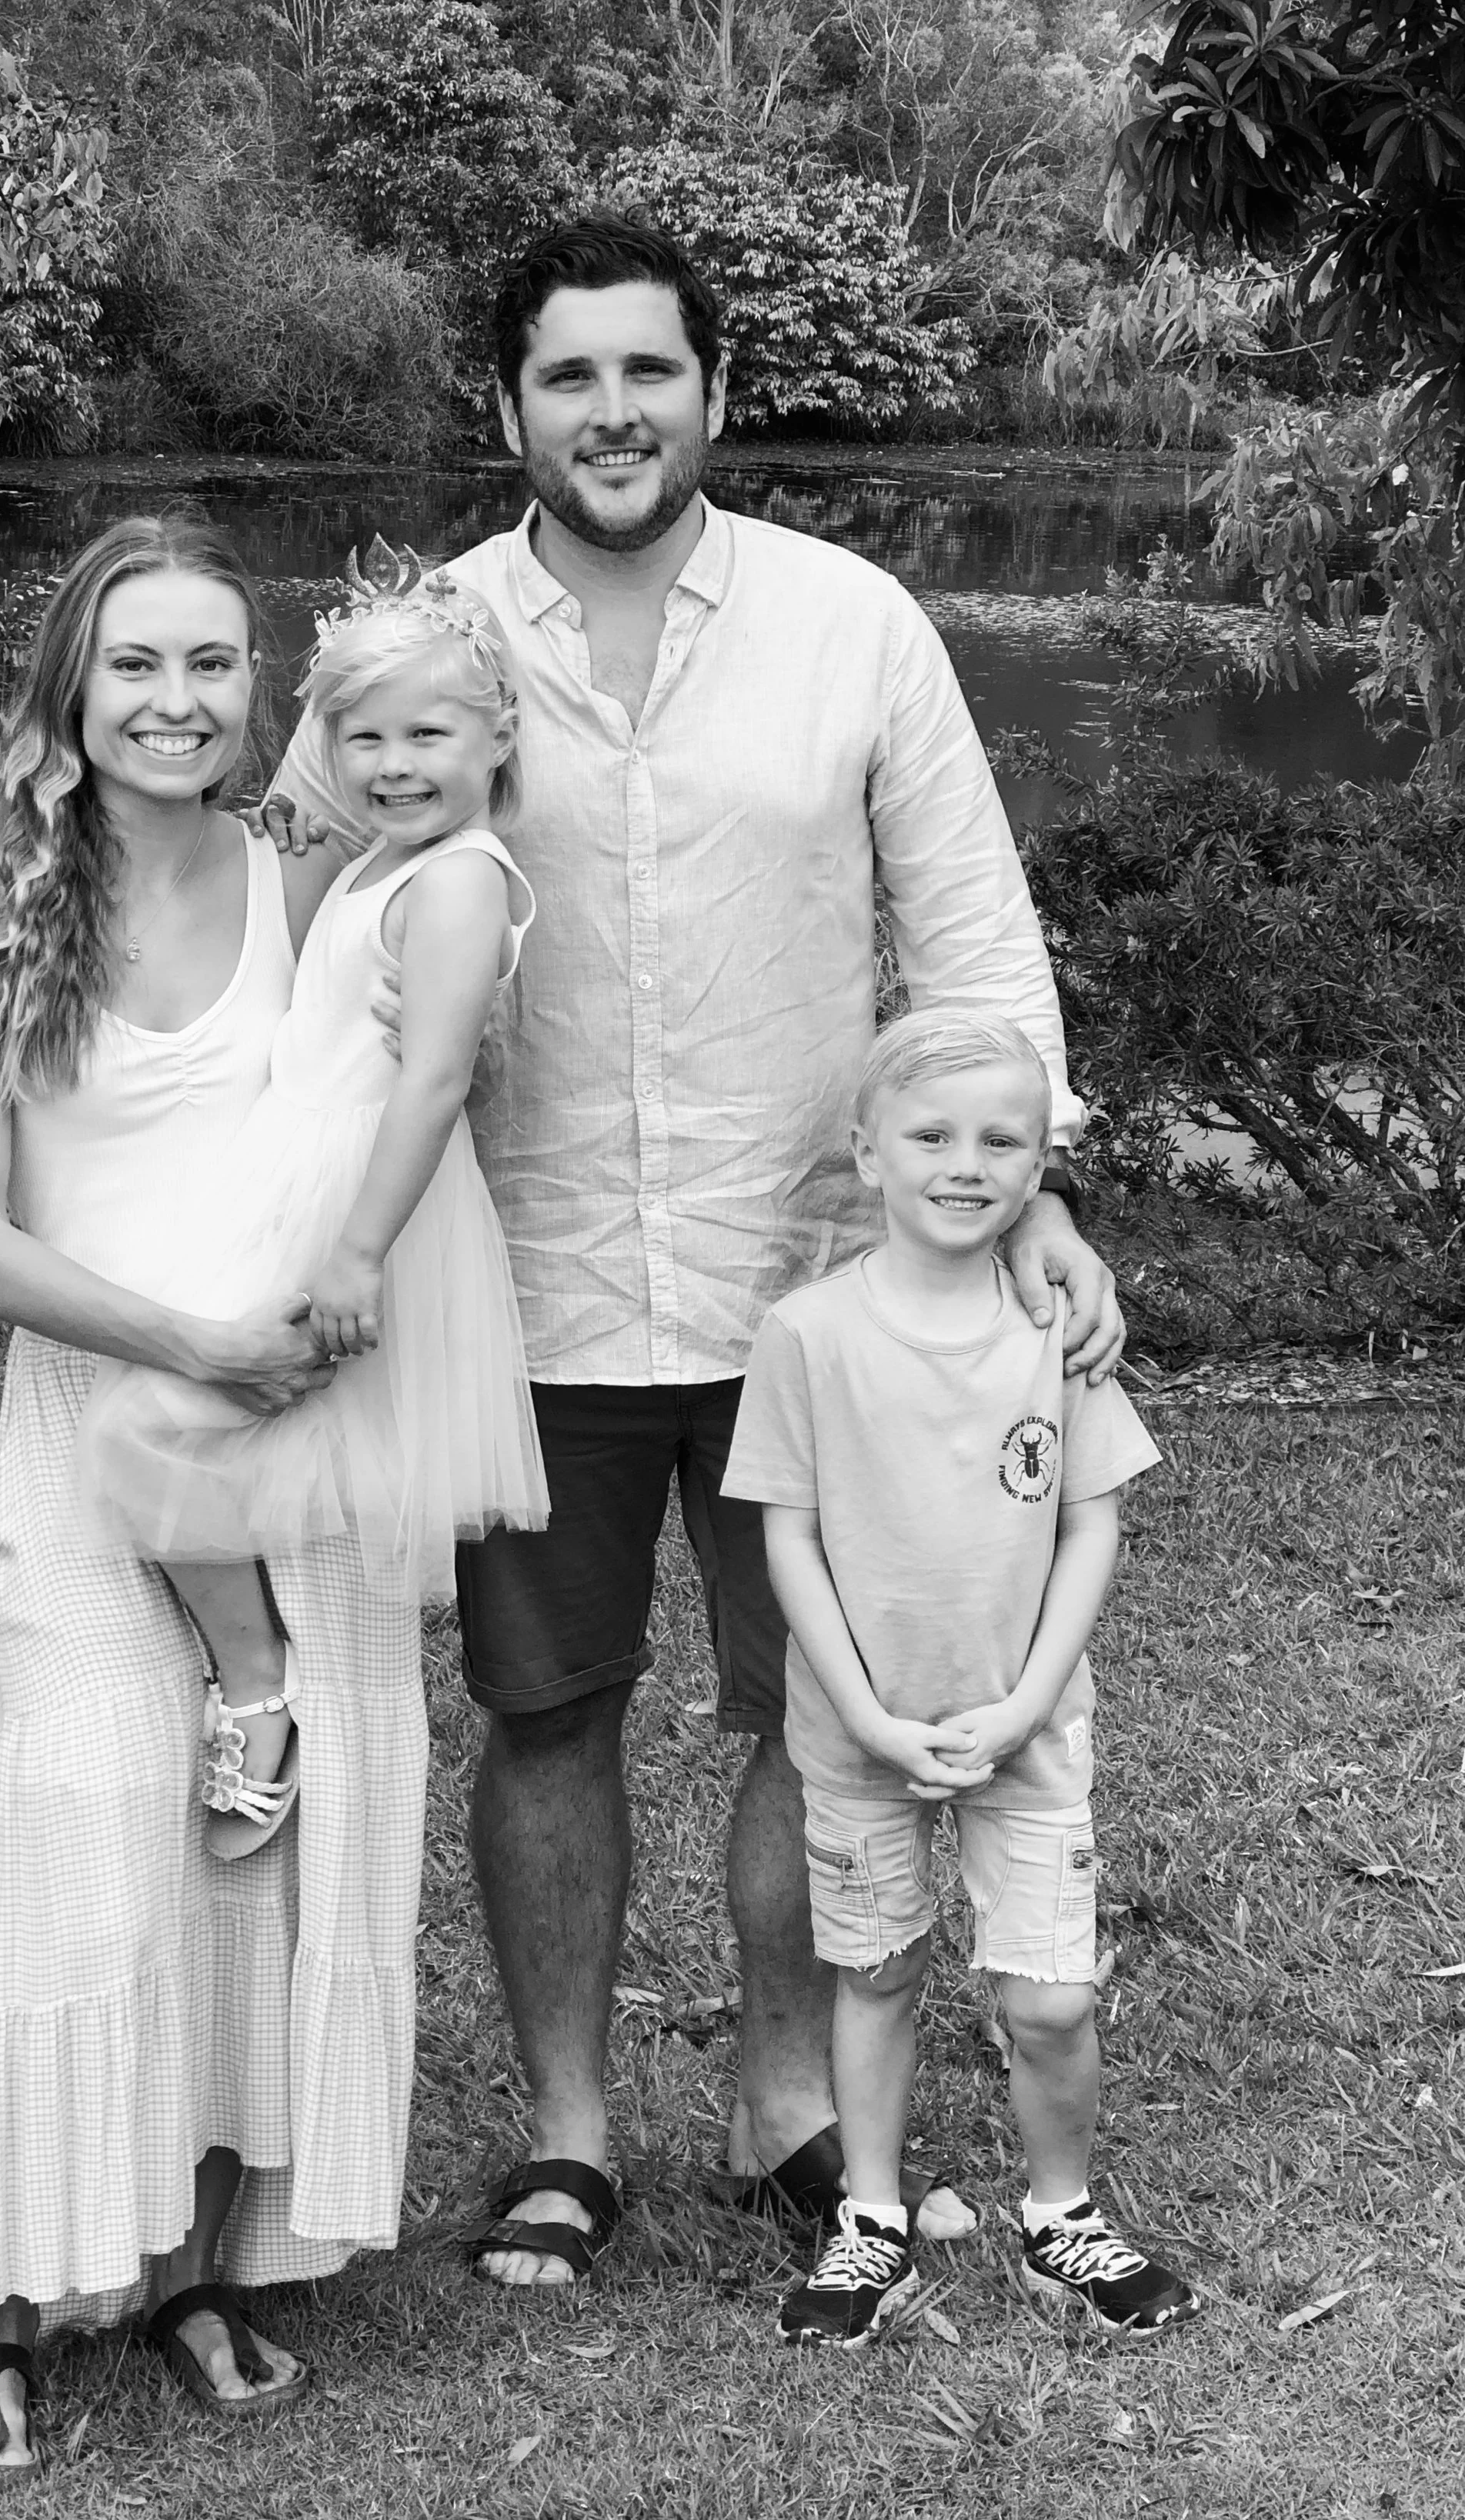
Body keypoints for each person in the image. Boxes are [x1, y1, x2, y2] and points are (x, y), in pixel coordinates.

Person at [259, 215, 1128, 2287]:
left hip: (803, 1281)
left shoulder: (854, 626)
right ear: (509, 407)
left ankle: (778, 2094)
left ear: (713, 395)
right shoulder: (422, 651)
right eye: (569, 377)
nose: (613, 411)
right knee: (541, 1705)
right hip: (519, 1287)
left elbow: (970, 927)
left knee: (800, 1719)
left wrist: (1043, 1179)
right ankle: (564, 2132)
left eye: (650, 372)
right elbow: (279, 910)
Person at [0, 512, 425, 2474]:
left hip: (303, 1438)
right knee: (83, 1815)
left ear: (253, 691)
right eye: (135, 665)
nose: (175, 701)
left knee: (255, 1862)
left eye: (210, 664)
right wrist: (191, 1346)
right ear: (69, 692)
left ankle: (190, 2266)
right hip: (100, 1420)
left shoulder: (311, 874)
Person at [723, 1011, 1199, 2347]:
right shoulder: (808, 1333)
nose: (966, 1162)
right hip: (859, 1733)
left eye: (1004, 1138)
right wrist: (870, 1713)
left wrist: (1033, 1695)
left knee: (1052, 1998)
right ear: (866, 1151)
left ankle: (1064, 2218)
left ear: (1039, 1160)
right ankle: (869, 2222)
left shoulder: (1054, 1326)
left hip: (1028, 1731)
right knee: (873, 1977)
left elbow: (1093, 1520)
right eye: (930, 1135)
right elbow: (790, 1534)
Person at [75, 558, 548, 1855]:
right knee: (192, 1422)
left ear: (498, 735)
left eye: (430, 733)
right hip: (290, 1164)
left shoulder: (456, 879)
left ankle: (258, 1683)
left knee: (147, 1429)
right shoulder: (387, 861)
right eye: (364, 735)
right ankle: (259, 1660)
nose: (394, 764)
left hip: (348, 1201)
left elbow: (440, 1076)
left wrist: (353, 1252)